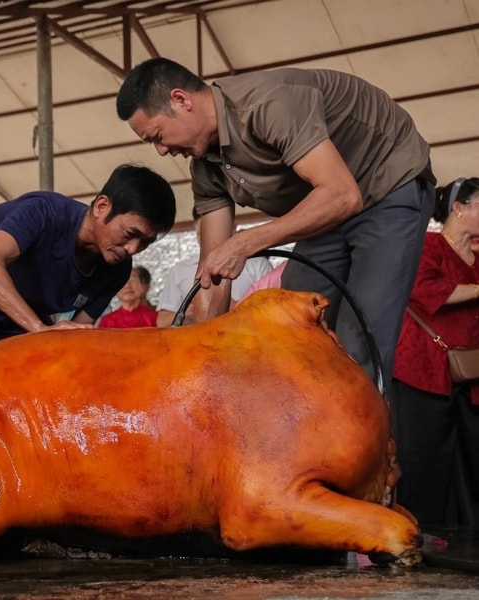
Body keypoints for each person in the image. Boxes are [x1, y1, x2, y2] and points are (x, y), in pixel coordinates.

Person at [116, 58, 435, 384]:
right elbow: (213, 270)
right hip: (324, 208)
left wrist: (246, 242)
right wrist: (204, 357)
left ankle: (368, 432)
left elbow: (342, 196)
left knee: (360, 340)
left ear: (181, 100)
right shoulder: (204, 168)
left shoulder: (268, 104)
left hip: (386, 187)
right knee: (290, 330)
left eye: (157, 136)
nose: (161, 151)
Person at [0, 164, 176, 357]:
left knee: (30, 377)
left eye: (145, 242)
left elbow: (73, 333)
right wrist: (39, 328)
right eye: (131, 234)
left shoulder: (116, 269)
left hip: (15, 311)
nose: (133, 249)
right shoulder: (44, 211)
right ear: (101, 207)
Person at [392, 177, 479, 527]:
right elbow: (423, 290)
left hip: (472, 372)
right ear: (459, 209)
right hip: (423, 368)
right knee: (423, 456)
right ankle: (420, 530)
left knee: (472, 456)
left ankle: (469, 533)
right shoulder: (426, 246)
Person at [156, 208, 273, 327]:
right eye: (202, 234)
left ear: (233, 228)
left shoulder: (258, 264)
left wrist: (233, 307)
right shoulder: (179, 270)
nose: (209, 240)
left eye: (216, 231)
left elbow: (274, 311)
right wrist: (190, 313)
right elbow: (162, 322)